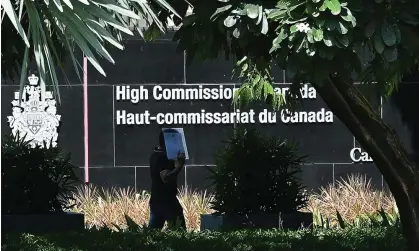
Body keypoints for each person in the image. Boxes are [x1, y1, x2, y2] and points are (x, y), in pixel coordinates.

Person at [148, 130, 186, 229]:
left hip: (156, 200)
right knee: (179, 232)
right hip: (167, 202)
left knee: (152, 233)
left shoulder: (155, 154)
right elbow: (165, 177)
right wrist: (179, 167)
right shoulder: (163, 157)